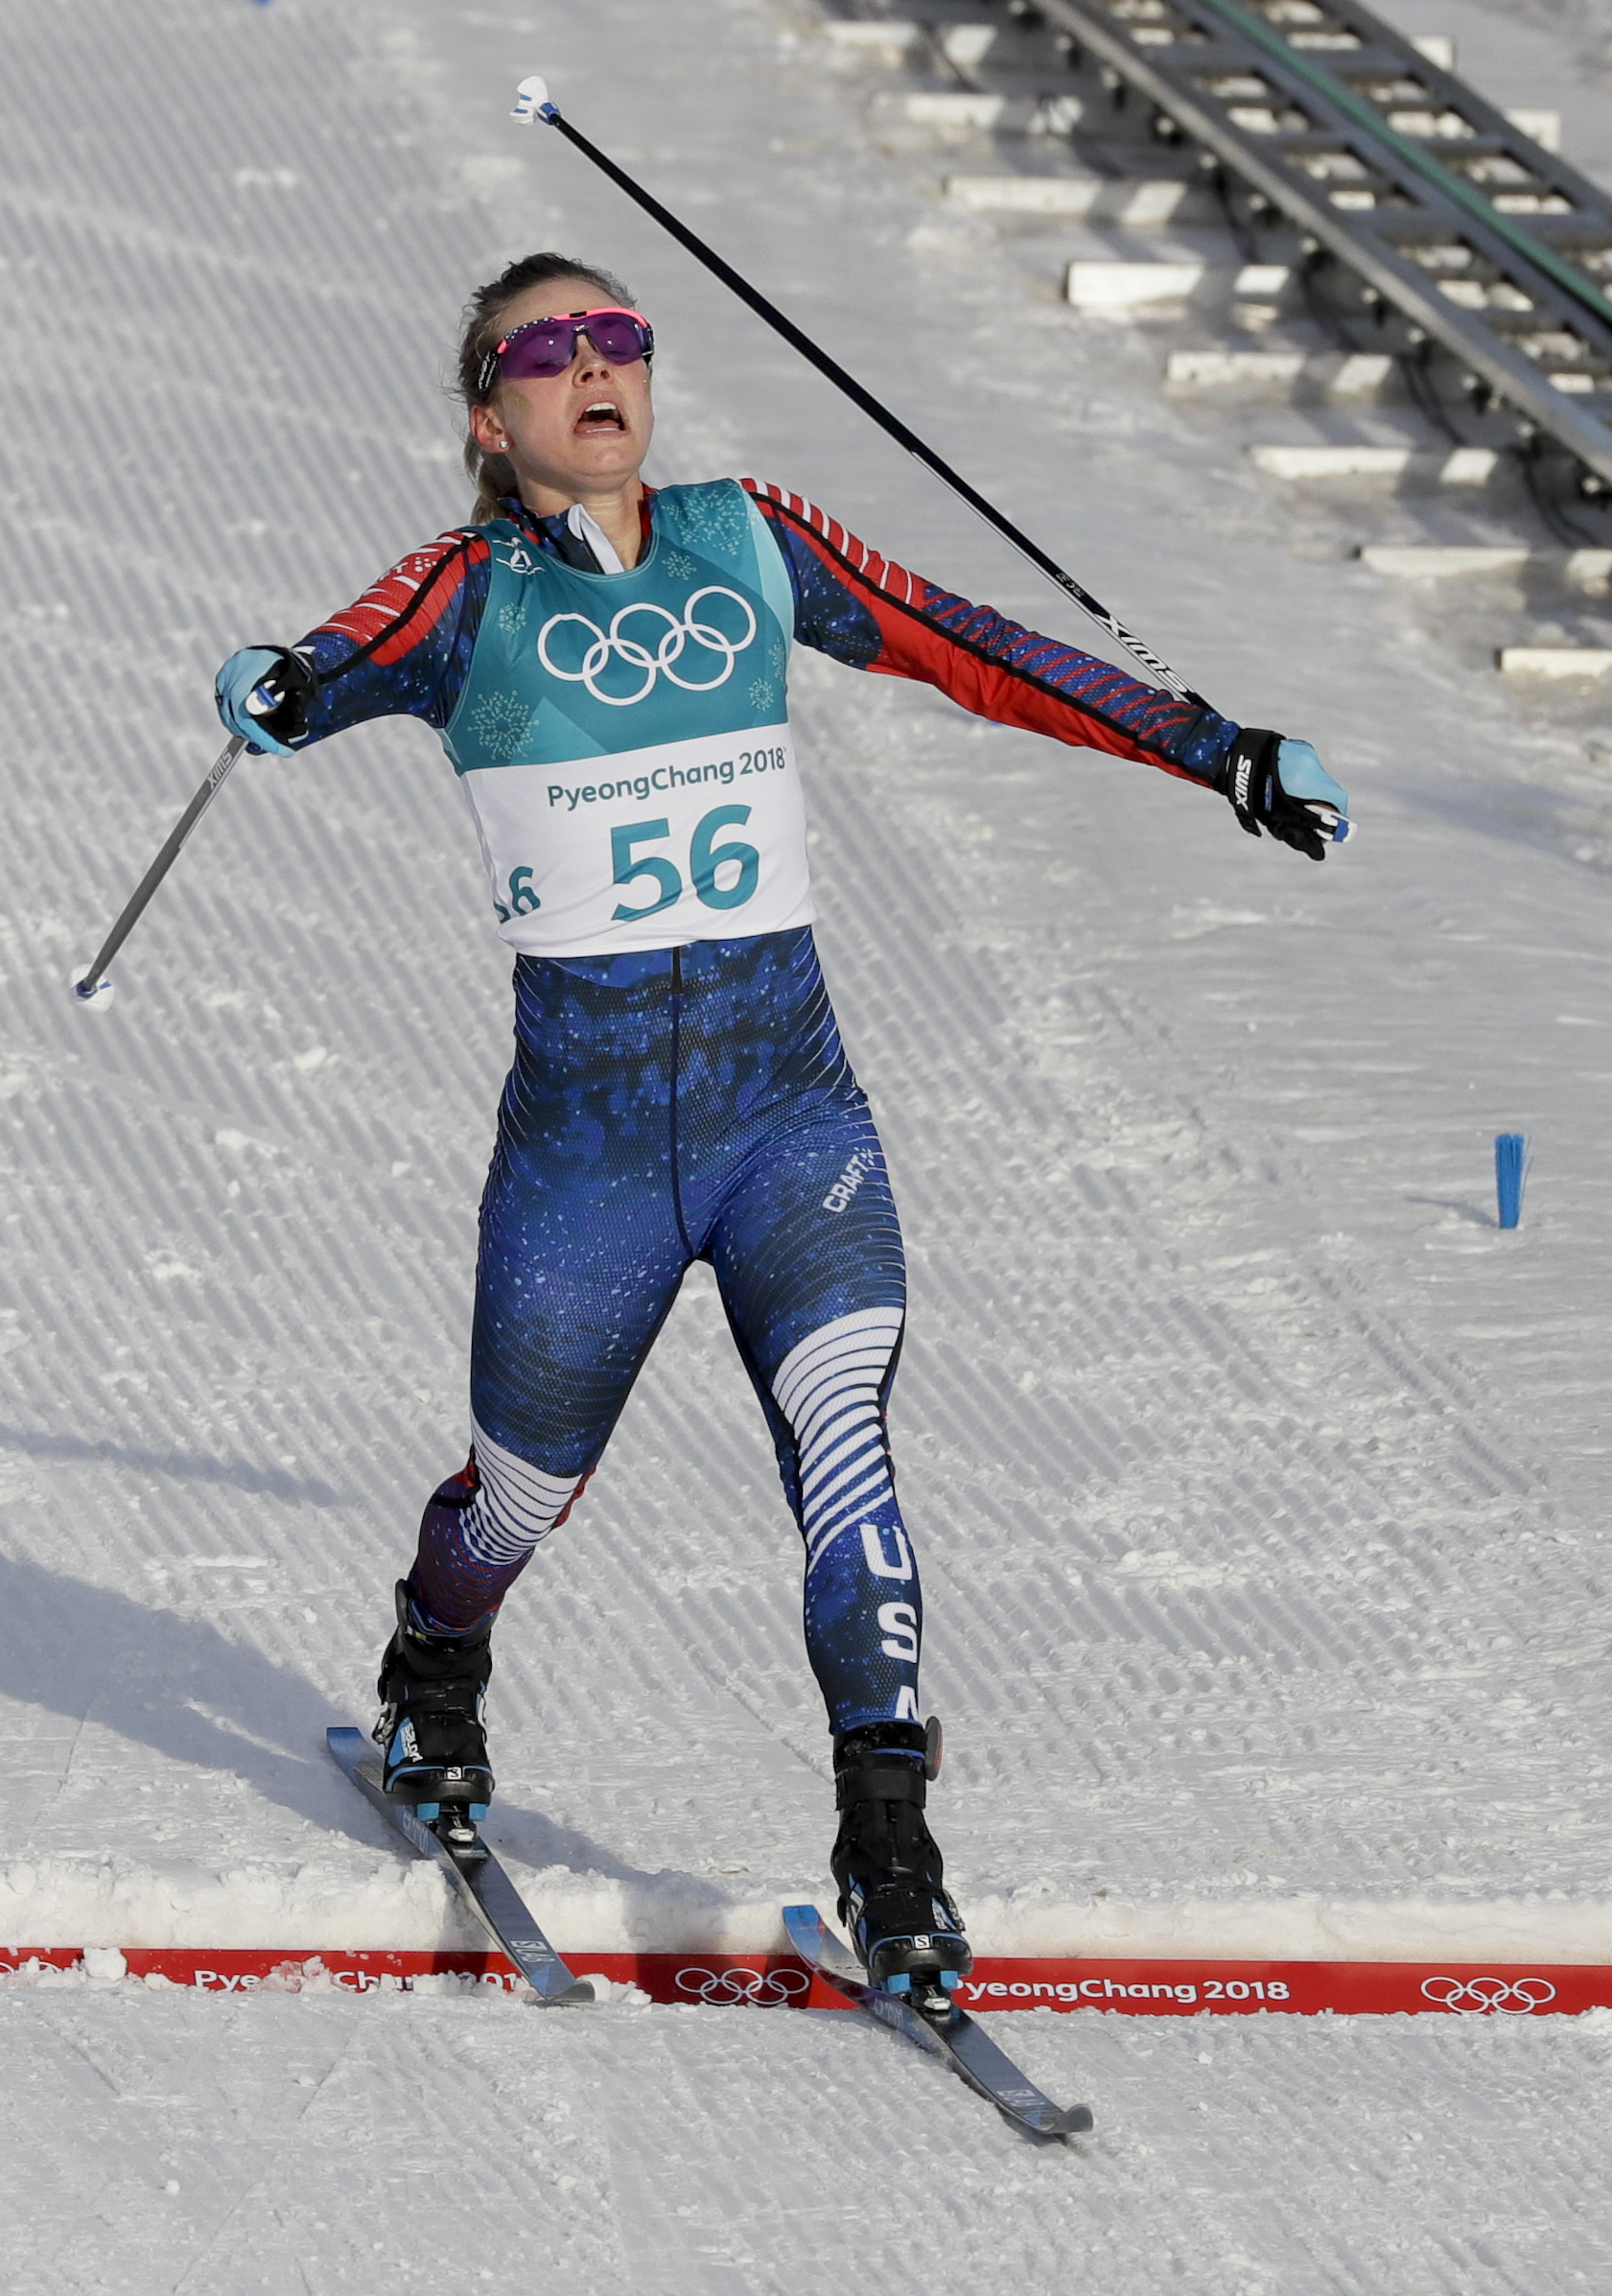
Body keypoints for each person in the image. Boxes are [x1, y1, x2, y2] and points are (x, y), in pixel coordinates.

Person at [211, 252, 1347, 2010]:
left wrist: (1213, 748)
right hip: (587, 1160)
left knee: (846, 1442)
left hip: (785, 1120)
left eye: (621, 339)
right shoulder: (465, 594)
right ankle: (437, 1657)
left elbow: (979, 648)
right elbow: (340, 659)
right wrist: (281, 686)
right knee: (517, 1494)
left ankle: (891, 1850)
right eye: (549, 348)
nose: (596, 369)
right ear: (487, 414)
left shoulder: (753, 541)